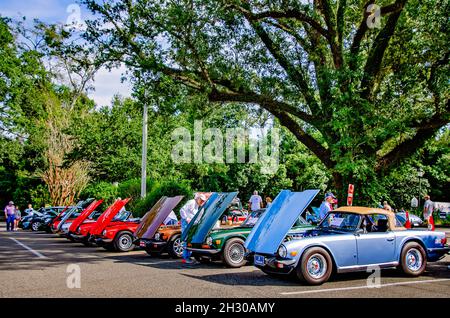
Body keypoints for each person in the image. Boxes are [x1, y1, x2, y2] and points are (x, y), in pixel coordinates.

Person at [180, 193, 207, 264]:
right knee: (186, 240)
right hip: (186, 224)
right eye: (201, 200)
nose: (202, 202)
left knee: (190, 240)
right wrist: (186, 218)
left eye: (203, 201)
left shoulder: (198, 205)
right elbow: (182, 210)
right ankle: (185, 258)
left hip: (191, 225)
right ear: (198, 198)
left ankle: (188, 257)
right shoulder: (192, 202)